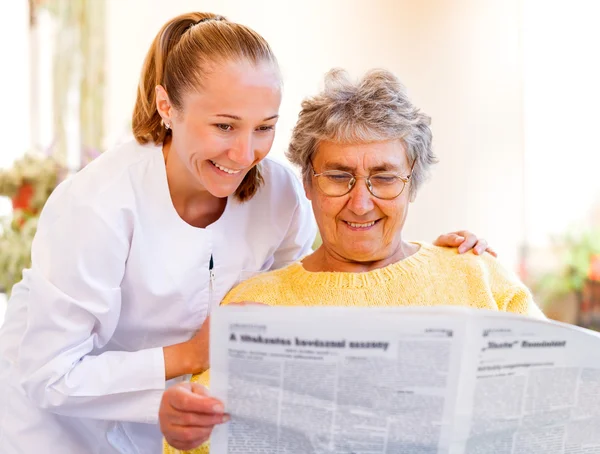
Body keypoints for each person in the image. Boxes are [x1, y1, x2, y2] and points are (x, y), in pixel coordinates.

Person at [0, 12, 492, 454]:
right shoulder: (98, 205)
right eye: (224, 126)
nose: (245, 153)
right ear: (166, 107)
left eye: (264, 128)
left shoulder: (277, 194)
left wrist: (431, 258)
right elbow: (50, 375)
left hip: (179, 421)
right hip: (49, 425)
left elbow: (311, 285)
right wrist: (193, 354)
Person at [161, 67, 544, 453]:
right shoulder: (255, 305)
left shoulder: (476, 273)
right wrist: (183, 435)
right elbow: (198, 443)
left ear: (413, 183)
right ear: (308, 183)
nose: (360, 204)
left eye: (385, 177)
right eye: (338, 176)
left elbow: (552, 410)